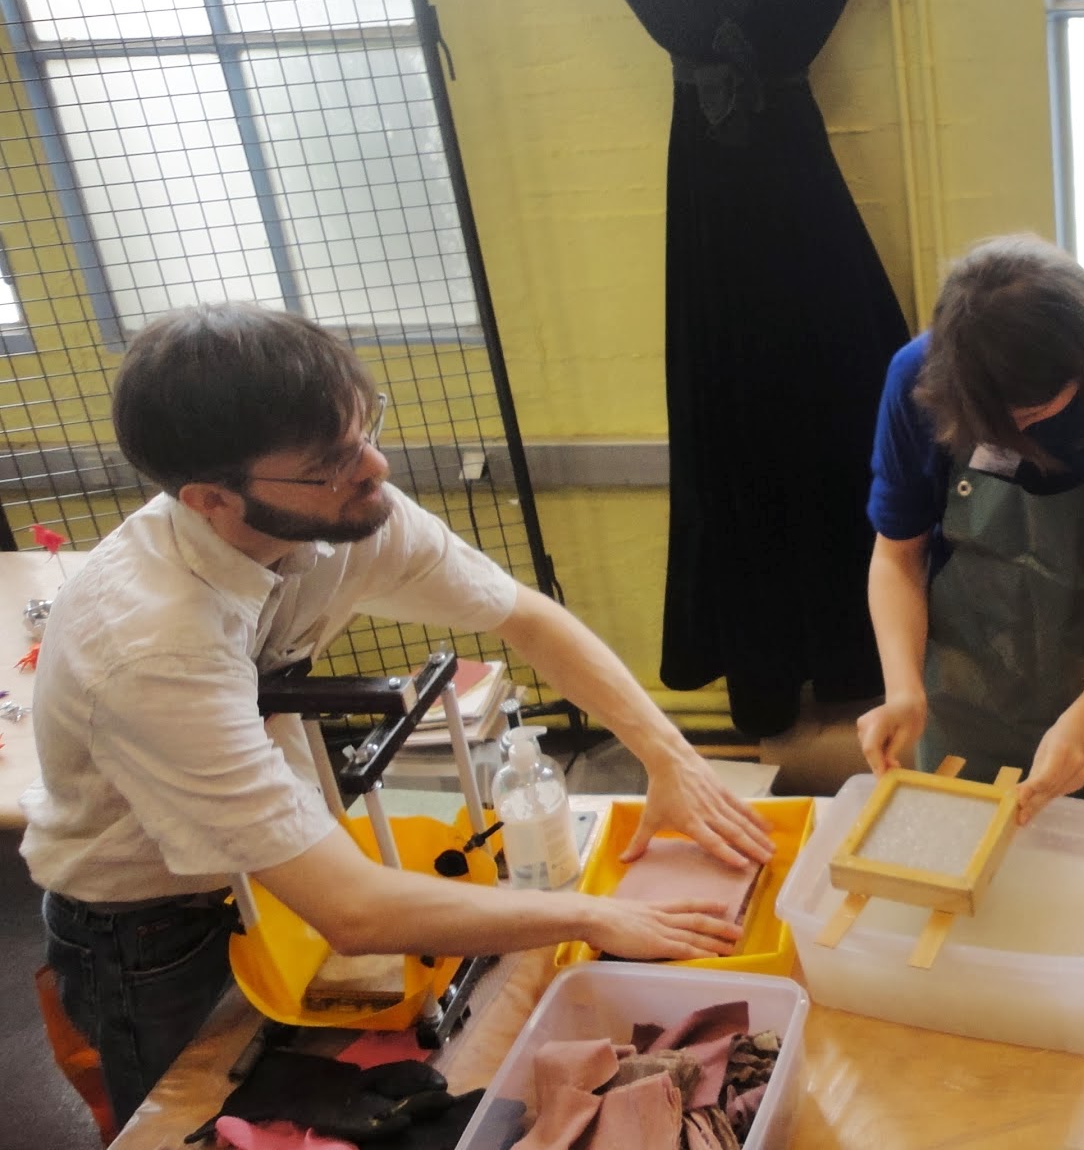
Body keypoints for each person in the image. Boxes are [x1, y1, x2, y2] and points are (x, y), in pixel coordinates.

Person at [22, 304, 774, 1127]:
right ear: (210, 498)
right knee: (186, 1123)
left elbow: (526, 618)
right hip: (151, 934)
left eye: (364, 430)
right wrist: (598, 915)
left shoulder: (344, 513)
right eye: (329, 463)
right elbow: (353, 910)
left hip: (271, 876)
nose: (374, 466)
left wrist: (669, 758)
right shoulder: (151, 646)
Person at [856, 234, 1084, 822]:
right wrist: (902, 691)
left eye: (1026, 417)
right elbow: (897, 557)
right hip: (964, 701)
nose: (1010, 438)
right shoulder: (919, 377)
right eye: (987, 427)